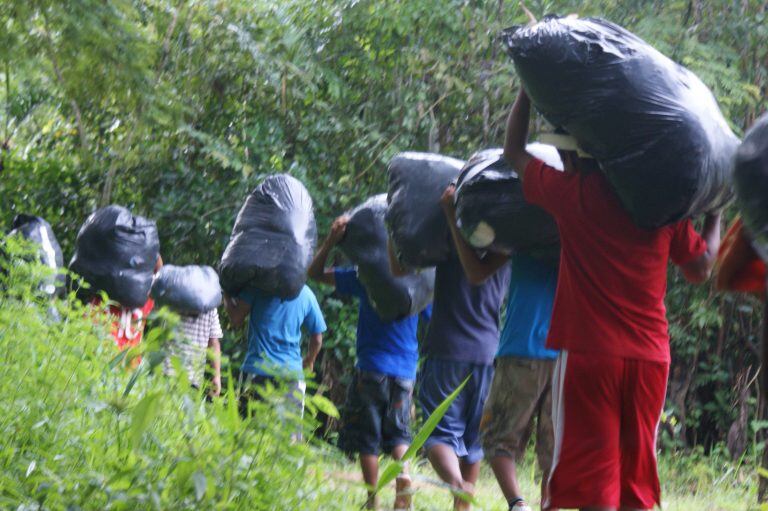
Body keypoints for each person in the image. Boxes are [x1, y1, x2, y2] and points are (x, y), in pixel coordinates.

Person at [504, 88, 721, 511]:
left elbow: (513, 151)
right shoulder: (659, 206)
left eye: (566, 155)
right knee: (636, 480)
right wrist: (714, 206)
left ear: (584, 156)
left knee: (590, 481)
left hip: (590, 357)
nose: (562, 162)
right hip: (649, 360)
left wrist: (527, 91)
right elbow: (702, 268)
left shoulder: (572, 195)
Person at [440, 181, 558, 511]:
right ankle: (549, 505)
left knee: (495, 438)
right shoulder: (575, 235)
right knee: (555, 449)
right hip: (566, 355)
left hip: (521, 349)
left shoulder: (521, 235)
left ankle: (517, 504)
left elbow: (476, 272)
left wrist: (451, 215)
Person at [308, 215, 430, 511]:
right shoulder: (419, 282)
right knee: (400, 432)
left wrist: (330, 240)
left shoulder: (365, 277)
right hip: (404, 371)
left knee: (368, 438)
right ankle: (403, 479)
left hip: (370, 368)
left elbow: (315, 272)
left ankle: (372, 499)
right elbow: (430, 321)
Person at [389, 215, 510, 511]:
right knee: (473, 440)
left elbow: (397, 269)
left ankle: (458, 486)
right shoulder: (508, 248)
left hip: (447, 351)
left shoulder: (448, 244)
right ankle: (462, 504)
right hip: (488, 355)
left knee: (438, 434)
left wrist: (393, 229)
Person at [223, 282, 326, 420]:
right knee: (290, 436)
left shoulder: (257, 287)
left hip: (257, 370)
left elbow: (235, 319)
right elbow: (317, 338)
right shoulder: (305, 293)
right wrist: (310, 359)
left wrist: (226, 293)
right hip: (291, 374)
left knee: (250, 431)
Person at [93, 254, 163, 353]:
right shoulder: (147, 300)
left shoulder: (101, 293)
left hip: (98, 357)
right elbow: (158, 269)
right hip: (129, 362)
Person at [162, 307, 223, 397]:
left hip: (168, 370)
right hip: (194, 377)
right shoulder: (210, 303)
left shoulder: (172, 296)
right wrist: (216, 376)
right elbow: (214, 343)